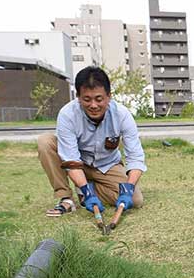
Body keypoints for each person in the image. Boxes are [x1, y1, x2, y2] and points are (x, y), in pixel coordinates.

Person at [38, 66, 146, 217]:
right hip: (77, 163)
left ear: (109, 96)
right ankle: (66, 198)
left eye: (99, 99)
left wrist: (128, 188)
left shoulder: (122, 115)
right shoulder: (67, 114)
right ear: (78, 97)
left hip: (107, 165)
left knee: (136, 200)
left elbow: (135, 157)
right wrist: (88, 191)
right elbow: (71, 160)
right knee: (45, 141)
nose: (93, 105)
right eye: (87, 99)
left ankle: (84, 190)